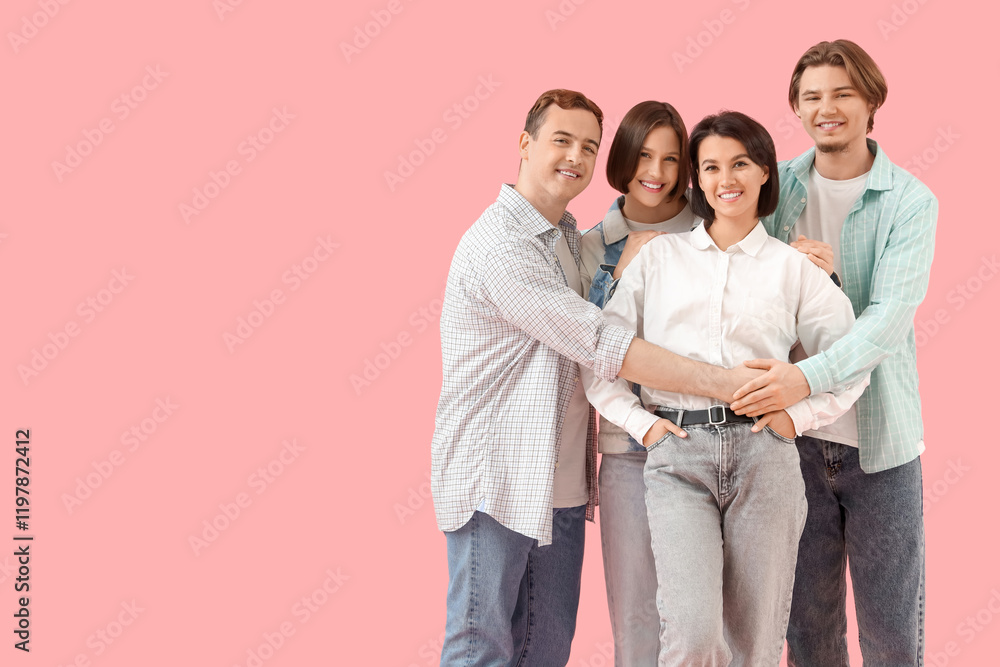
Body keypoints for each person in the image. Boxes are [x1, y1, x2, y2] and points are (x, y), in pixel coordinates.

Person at [431, 90, 763, 667]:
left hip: (559, 487)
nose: (576, 157)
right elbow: (601, 344)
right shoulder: (502, 246)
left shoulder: (563, 236)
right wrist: (728, 386)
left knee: (544, 650)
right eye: (562, 140)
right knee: (479, 644)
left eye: (588, 146)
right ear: (524, 144)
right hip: (498, 480)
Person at [584, 110, 868, 665]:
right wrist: (645, 427)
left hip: (766, 456)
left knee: (754, 643)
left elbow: (851, 357)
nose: (725, 179)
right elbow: (602, 357)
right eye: (710, 167)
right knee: (690, 635)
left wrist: (799, 417)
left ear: (765, 171)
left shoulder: (793, 267)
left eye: (739, 163)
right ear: (698, 179)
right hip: (677, 455)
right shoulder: (658, 259)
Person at [729, 40, 937, 665]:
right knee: (808, 633)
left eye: (843, 93)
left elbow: (888, 322)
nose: (828, 108)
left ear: (871, 101)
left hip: (882, 446)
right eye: (812, 96)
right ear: (795, 106)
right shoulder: (774, 186)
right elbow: (731, 278)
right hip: (788, 443)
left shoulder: (910, 201)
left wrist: (805, 374)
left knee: (893, 634)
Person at [578, 100, 698, 666]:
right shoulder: (589, 246)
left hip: (710, 440)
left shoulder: (714, 227)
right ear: (623, 158)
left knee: (707, 617)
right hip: (627, 446)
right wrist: (620, 272)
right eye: (644, 155)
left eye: (671, 159)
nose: (656, 172)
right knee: (635, 615)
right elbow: (583, 346)